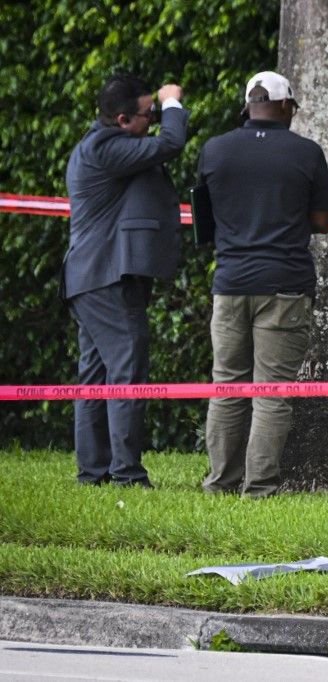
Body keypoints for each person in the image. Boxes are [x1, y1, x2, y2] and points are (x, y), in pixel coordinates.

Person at [198, 71, 328, 497]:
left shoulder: (214, 150)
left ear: (248, 106)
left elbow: (204, 221)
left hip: (230, 282)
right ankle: (259, 488)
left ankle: (220, 482)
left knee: (227, 385)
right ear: (281, 105)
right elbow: (322, 221)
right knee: (271, 391)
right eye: (292, 107)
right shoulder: (306, 153)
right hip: (284, 284)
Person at [63, 74, 189, 487]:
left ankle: (93, 473)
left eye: (156, 110)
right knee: (126, 372)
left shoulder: (101, 145)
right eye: (148, 113)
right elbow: (170, 144)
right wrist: (173, 104)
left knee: (96, 377)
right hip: (107, 278)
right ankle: (126, 475)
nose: (153, 118)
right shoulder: (108, 147)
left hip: (91, 277)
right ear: (122, 119)